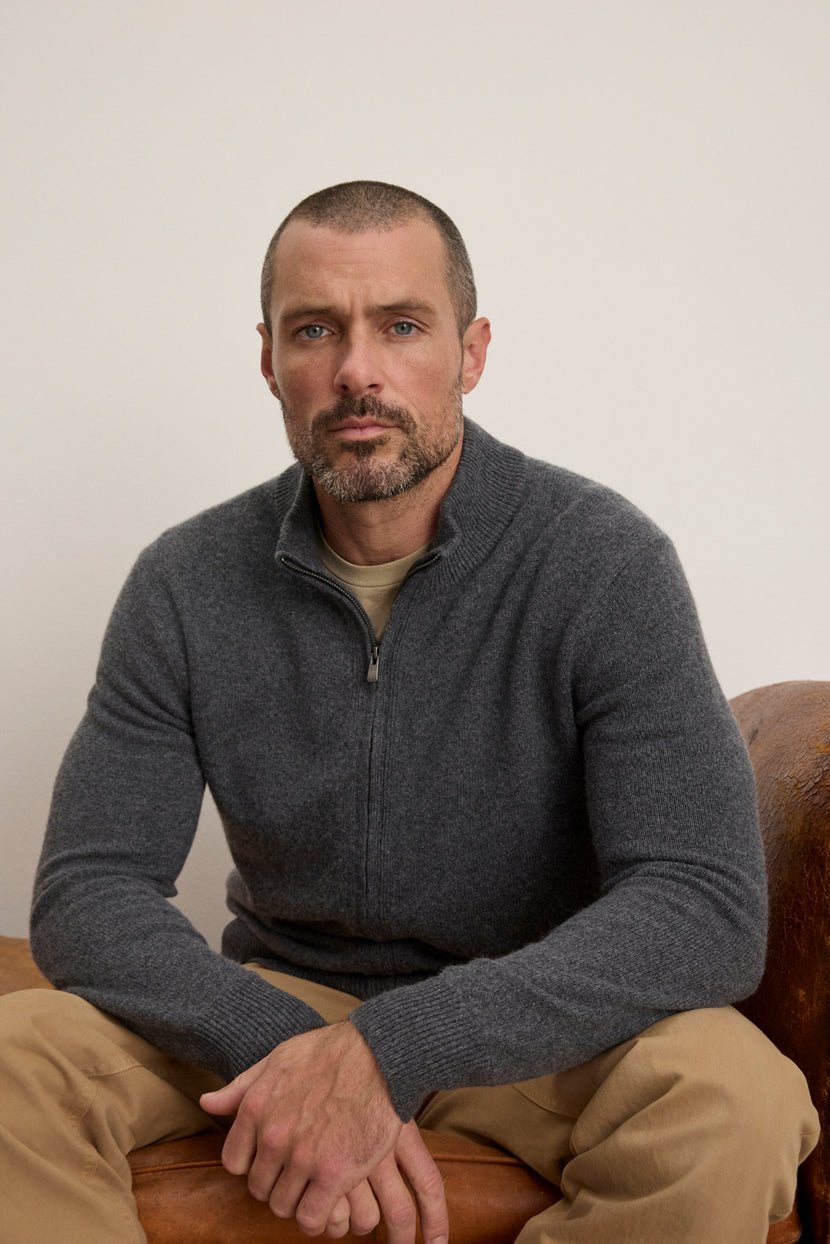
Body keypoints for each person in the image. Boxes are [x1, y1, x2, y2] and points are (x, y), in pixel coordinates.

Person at [1, 180, 819, 1244]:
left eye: (400, 325)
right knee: (14, 1063)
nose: (357, 369)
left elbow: (702, 905)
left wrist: (394, 1049)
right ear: (269, 361)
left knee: (738, 1099)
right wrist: (291, 1051)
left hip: (539, 1027)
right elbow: (89, 890)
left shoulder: (605, 563)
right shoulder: (184, 582)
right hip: (279, 1007)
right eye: (314, 329)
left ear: (470, 352)